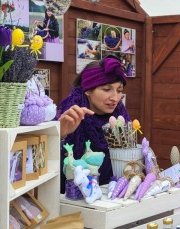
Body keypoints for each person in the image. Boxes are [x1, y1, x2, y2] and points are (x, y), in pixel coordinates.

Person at [56, 55, 130, 189]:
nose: (115, 98)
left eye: (119, 90)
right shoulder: (70, 116)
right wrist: (59, 135)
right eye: (106, 89)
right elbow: (54, 168)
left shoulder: (121, 117)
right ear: (88, 89)